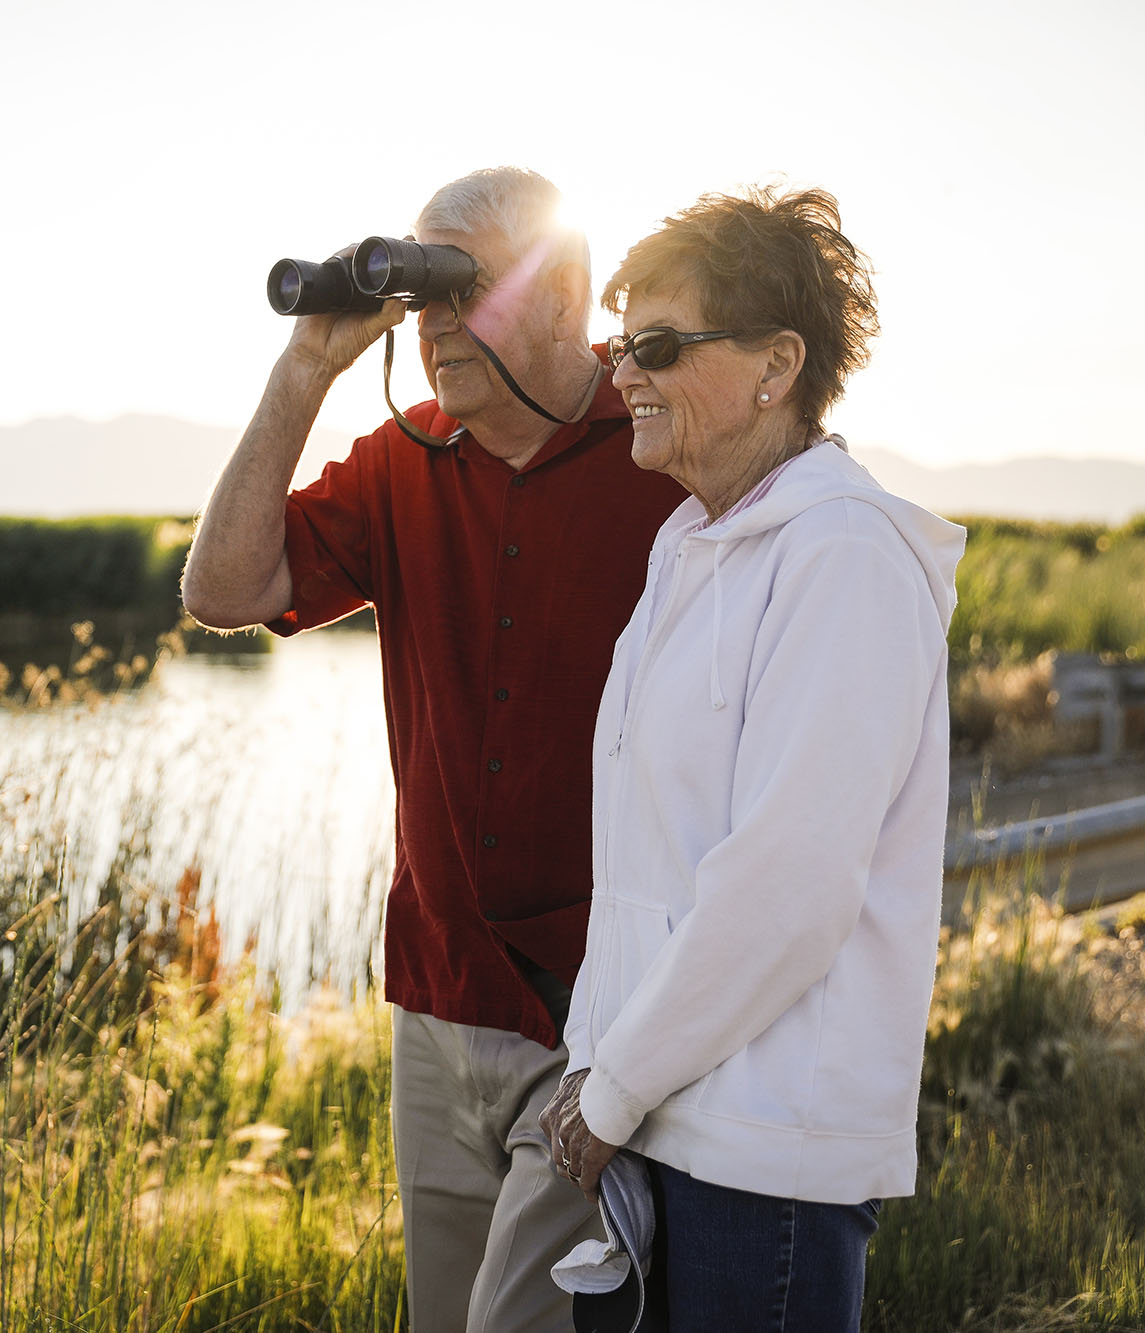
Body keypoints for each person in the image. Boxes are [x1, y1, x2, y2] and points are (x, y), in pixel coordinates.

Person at [182, 167, 687, 1332]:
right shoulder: (401, 460)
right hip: (432, 1005)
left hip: (594, 1014)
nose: (433, 318)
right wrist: (305, 366)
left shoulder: (662, 449)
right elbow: (221, 588)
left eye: (458, 281)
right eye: (420, 285)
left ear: (564, 291)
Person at [537, 186, 965, 1332]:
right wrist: (595, 1068)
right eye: (620, 342)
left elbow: (787, 884)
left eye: (660, 345)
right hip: (656, 1125)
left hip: (761, 1159)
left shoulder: (844, 560)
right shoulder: (686, 550)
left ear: (777, 364)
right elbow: (642, 862)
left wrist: (611, 1089)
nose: (623, 370)